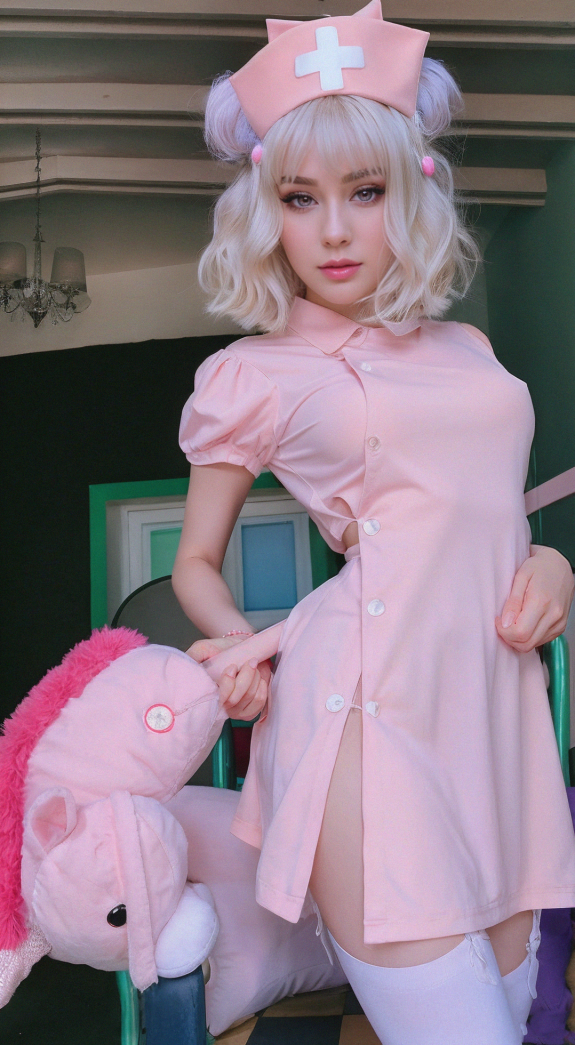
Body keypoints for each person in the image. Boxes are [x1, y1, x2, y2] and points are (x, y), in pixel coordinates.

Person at [171, 4, 575, 1042]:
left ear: (413, 189)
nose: (335, 230)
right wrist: (236, 644)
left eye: (365, 191)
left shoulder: (470, 349)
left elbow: (481, 511)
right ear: (266, 212)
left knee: (513, 1013)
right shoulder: (253, 374)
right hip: (362, 715)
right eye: (299, 199)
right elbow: (195, 561)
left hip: (493, 715)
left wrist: (550, 561)